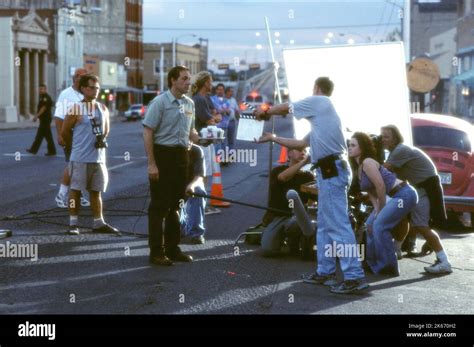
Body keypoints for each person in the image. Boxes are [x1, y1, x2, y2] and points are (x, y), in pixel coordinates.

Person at [255, 76, 369, 294]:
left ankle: (354, 276)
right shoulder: (321, 120)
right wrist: (273, 138)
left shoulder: (320, 102)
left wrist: (266, 111)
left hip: (332, 170)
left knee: (338, 223)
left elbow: (287, 107)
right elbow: (300, 143)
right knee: (326, 224)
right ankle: (324, 271)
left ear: (316, 88)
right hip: (330, 170)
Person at [143, 65, 199, 266]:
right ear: (173, 80)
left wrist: (205, 138)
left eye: (189, 79)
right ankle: (156, 252)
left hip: (181, 157)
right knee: (159, 206)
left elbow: (191, 133)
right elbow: (148, 131)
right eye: (184, 79)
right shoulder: (160, 102)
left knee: (177, 204)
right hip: (162, 154)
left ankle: (173, 248)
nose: (188, 83)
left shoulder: (190, 104)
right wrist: (152, 164)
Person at [381, 125, 452, 274]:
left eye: (386, 136)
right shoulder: (396, 151)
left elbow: (382, 171)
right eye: (382, 136)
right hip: (419, 189)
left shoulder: (400, 150)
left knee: (421, 225)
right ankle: (397, 250)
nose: (382, 138)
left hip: (423, 189)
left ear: (395, 138)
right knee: (401, 215)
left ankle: (444, 261)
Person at [349, 132, 418, 276]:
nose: (349, 147)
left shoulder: (368, 162)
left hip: (404, 194)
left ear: (362, 148)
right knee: (369, 225)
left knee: (380, 225)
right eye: (349, 145)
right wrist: (376, 211)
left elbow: (380, 186)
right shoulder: (359, 169)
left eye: (353, 145)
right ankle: (372, 263)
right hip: (393, 196)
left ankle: (389, 266)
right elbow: (373, 194)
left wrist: (380, 212)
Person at [61, 74, 120, 236]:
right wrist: (75, 146)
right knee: (76, 190)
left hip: (98, 157)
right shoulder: (75, 108)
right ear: (83, 89)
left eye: (97, 88)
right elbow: (65, 131)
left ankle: (98, 222)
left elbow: (106, 131)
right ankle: (73, 223)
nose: (95, 91)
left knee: (96, 191)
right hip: (80, 157)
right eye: (92, 87)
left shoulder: (102, 108)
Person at [259, 148, 314, 257]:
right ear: (289, 153)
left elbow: (312, 201)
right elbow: (283, 177)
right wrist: (304, 162)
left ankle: (296, 240)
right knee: (268, 250)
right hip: (278, 217)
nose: (303, 152)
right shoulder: (277, 171)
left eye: (305, 150)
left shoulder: (308, 176)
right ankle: (281, 237)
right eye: (299, 150)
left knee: (295, 223)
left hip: (297, 217)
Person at [54, 68, 90, 209]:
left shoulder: (85, 94)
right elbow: (58, 116)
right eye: (83, 77)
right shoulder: (66, 94)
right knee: (73, 165)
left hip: (84, 137)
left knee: (81, 167)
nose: (85, 80)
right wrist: (60, 135)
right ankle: (61, 195)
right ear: (75, 78)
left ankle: (79, 196)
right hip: (70, 135)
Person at [191, 71, 222, 215]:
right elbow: (211, 119)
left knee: (206, 173)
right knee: (202, 173)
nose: (212, 84)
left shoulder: (205, 98)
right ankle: (202, 206)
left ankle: (203, 204)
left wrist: (214, 117)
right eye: (210, 82)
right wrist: (214, 118)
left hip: (206, 139)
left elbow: (217, 115)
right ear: (204, 83)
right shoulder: (199, 99)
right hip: (201, 141)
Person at [180, 143, 207, 244]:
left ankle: (197, 232)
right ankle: (181, 226)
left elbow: (199, 177)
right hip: (177, 184)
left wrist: (191, 186)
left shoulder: (197, 151)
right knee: (178, 228)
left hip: (193, 183)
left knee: (199, 192)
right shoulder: (171, 151)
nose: (187, 143)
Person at [26, 84, 56, 156]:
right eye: (39, 89)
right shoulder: (42, 97)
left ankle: (34, 150)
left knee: (40, 135)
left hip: (46, 119)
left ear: (45, 89)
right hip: (44, 119)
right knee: (48, 136)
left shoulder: (45, 97)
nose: (40, 90)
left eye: (42, 89)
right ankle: (52, 151)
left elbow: (43, 108)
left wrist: (36, 116)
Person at [225, 86, 240, 156]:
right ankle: (223, 155)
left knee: (231, 139)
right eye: (231, 91)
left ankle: (231, 155)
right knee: (224, 140)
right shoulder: (222, 100)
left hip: (232, 122)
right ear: (227, 92)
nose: (232, 93)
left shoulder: (233, 100)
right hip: (223, 122)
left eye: (232, 91)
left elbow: (236, 110)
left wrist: (238, 118)